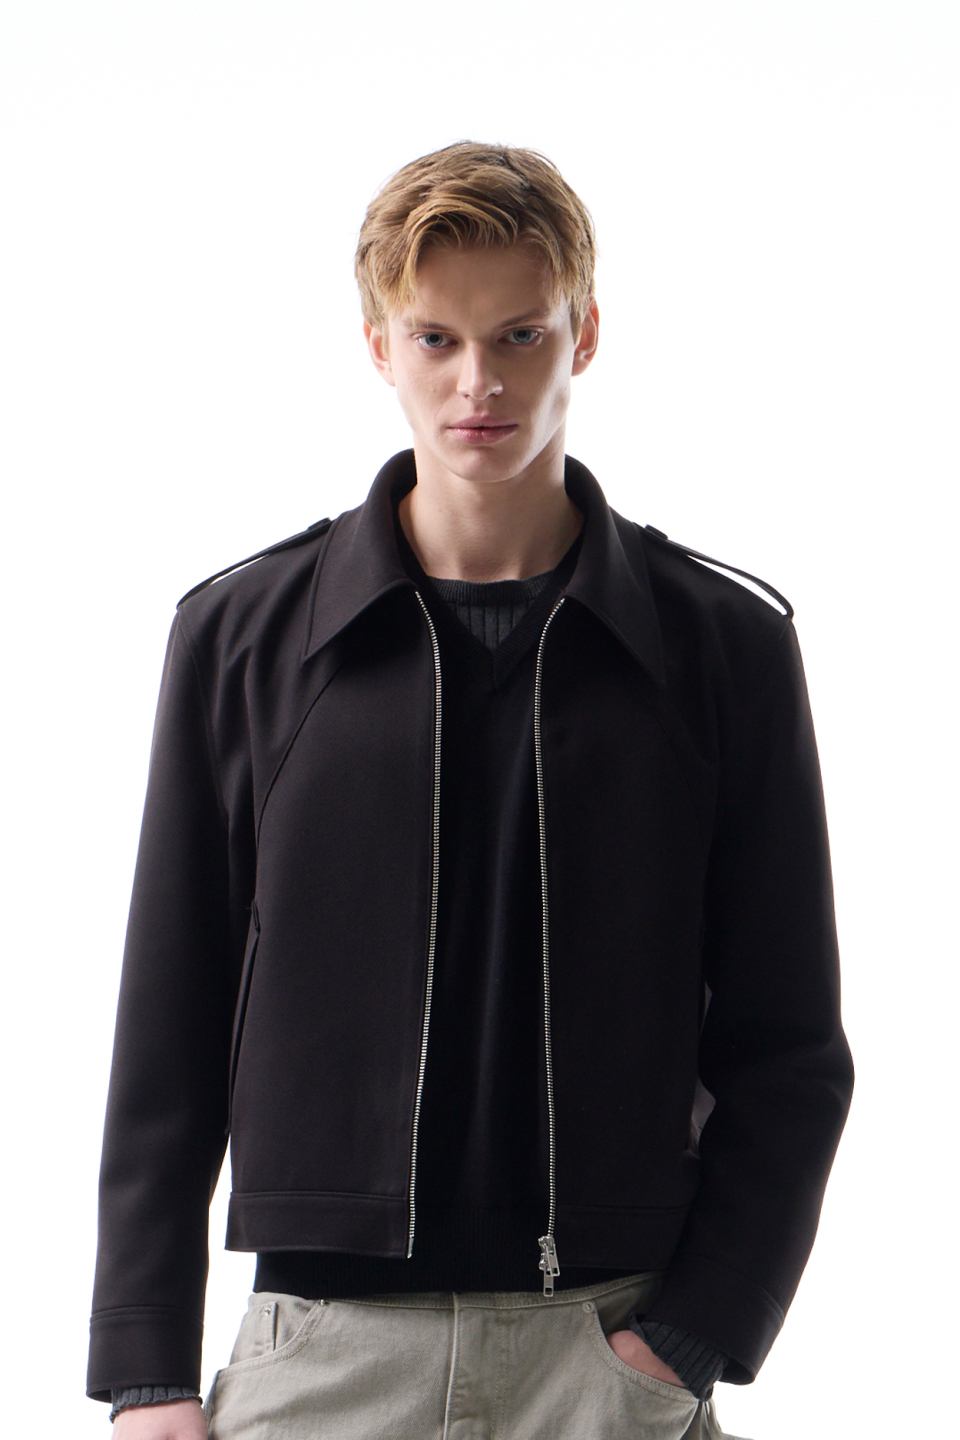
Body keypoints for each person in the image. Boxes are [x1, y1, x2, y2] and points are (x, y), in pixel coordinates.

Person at [87, 141, 854, 1440]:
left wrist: (695, 1334)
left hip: (608, 1350)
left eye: (520, 336)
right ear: (377, 347)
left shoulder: (721, 646)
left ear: (585, 335)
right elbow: (170, 1016)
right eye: (435, 339)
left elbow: (789, 1043)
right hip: (322, 1356)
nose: (478, 383)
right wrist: (145, 1368)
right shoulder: (243, 640)